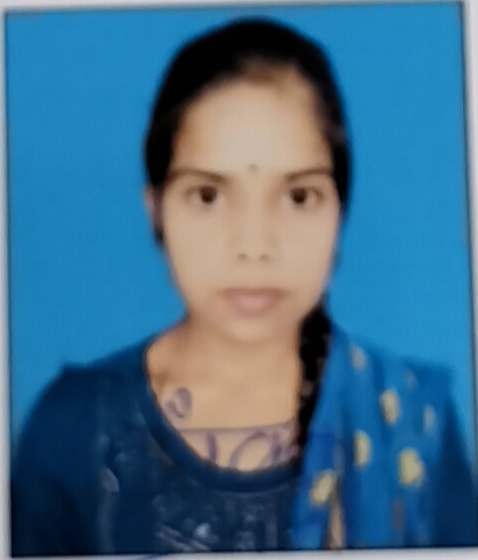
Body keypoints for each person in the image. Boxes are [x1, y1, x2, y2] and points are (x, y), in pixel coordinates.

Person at [11, 17, 477, 556]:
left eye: (298, 197)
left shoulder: (411, 429)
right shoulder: (71, 433)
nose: (254, 247)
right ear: (155, 210)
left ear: (339, 212)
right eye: (208, 196)